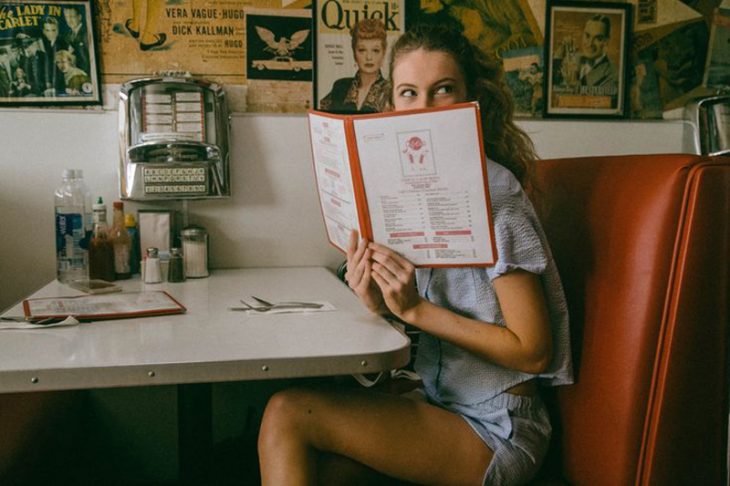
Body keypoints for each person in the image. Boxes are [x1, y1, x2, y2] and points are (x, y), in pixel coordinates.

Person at [258, 24, 573, 486]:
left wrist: (414, 310)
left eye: (443, 90)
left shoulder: (494, 197)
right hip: (440, 402)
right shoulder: (411, 190)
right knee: (318, 470)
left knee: (287, 412)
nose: (424, 110)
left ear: (472, 101)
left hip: (498, 428)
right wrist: (378, 301)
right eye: (409, 93)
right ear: (390, 107)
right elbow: (428, 311)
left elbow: (534, 352)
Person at [319, 18, 390, 113]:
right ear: (354, 54)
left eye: (375, 50)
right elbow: (322, 119)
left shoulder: (391, 91)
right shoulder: (340, 87)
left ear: (383, 54)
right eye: (362, 50)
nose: (369, 57)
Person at [553, 14, 617, 92]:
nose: (590, 44)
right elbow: (553, 85)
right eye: (587, 36)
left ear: (606, 41)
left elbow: (602, 102)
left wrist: (574, 86)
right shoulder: (574, 58)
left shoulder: (612, 74)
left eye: (598, 39)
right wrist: (557, 58)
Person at [40, 16, 69, 94]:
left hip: (61, 83)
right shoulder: (48, 43)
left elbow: (62, 67)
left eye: (53, 30)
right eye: (48, 30)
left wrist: (51, 83)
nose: (51, 33)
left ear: (58, 31)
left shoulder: (62, 43)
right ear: (44, 31)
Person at [63, 6, 90, 75]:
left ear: (79, 17)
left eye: (72, 16)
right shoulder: (68, 35)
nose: (69, 20)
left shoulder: (86, 33)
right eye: (67, 17)